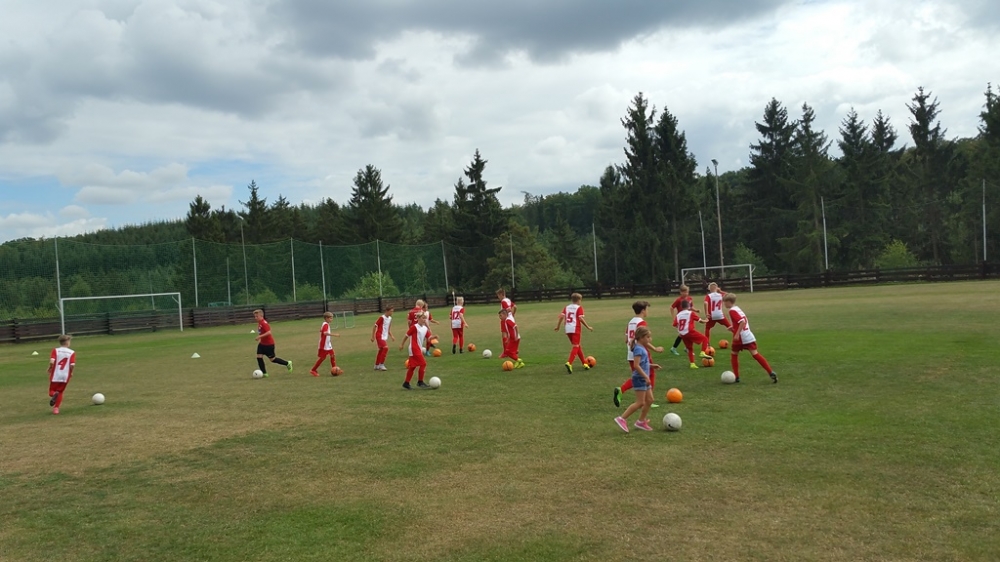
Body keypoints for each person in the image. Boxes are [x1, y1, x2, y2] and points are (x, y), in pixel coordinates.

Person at [613, 301, 663, 407]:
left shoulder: (630, 322)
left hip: (631, 354)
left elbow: (626, 340)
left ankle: (621, 390)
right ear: (643, 310)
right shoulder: (642, 323)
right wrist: (655, 349)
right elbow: (644, 340)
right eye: (647, 309)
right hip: (641, 353)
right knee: (650, 373)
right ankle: (648, 400)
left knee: (637, 376)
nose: (647, 311)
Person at [723, 293, 778, 384]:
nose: (724, 304)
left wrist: (736, 334)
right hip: (748, 335)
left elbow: (742, 322)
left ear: (729, 302)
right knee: (755, 354)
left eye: (724, 302)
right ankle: (770, 372)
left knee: (734, 354)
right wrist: (733, 327)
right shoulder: (737, 308)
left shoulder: (732, 311)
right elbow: (742, 321)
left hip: (741, 337)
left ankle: (736, 376)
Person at [614, 326, 660, 433]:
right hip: (640, 378)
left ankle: (641, 421)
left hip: (643, 377)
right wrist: (646, 377)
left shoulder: (642, 348)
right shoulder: (639, 349)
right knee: (640, 402)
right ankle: (622, 418)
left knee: (650, 400)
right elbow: (636, 365)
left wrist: (651, 366)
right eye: (648, 337)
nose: (650, 339)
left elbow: (643, 363)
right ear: (641, 338)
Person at [554, 292, 594, 373]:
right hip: (576, 328)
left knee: (577, 346)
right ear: (579, 300)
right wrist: (588, 327)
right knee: (576, 346)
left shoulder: (566, 307)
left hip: (568, 328)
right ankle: (569, 363)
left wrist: (558, 326)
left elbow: (561, 317)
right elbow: (580, 319)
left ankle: (584, 363)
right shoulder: (579, 308)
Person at [673, 300, 711, 370]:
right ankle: (702, 352)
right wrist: (706, 320)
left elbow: (675, 324)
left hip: (682, 334)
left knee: (690, 348)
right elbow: (700, 321)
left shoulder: (678, 315)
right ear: (688, 306)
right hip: (689, 331)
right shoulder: (690, 313)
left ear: (681, 307)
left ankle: (692, 364)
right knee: (705, 339)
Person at [399, 312, 433, 389]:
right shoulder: (414, 327)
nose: (424, 320)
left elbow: (429, 337)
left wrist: (433, 337)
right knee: (423, 364)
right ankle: (420, 382)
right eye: (422, 318)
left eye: (425, 318)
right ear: (418, 318)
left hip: (418, 349)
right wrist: (402, 344)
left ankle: (406, 383)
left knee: (412, 367)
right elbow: (406, 336)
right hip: (414, 348)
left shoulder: (425, 328)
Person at [254, 309, 291, 376]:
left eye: (257, 316)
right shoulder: (260, 322)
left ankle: (287, 363)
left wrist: (260, 336)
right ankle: (264, 373)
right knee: (259, 357)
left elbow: (269, 332)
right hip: (262, 344)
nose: (255, 318)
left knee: (272, 359)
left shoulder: (264, 323)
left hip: (269, 344)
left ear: (261, 316)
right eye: (255, 316)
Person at [47, 334, 76, 415]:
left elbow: (52, 361)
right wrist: (71, 372)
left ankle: (54, 394)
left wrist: (50, 368)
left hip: (56, 375)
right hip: (65, 376)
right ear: (67, 342)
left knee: (51, 391)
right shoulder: (72, 352)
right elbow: (72, 365)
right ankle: (56, 409)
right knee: (60, 392)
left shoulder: (55, 350)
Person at [310, 312, 341, 376]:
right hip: (324, 345)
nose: (331, 319)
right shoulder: (325, 324)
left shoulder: (325, 324)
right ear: (326, 318)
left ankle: (335, 369)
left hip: (328, 344)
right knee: (322, 358)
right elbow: (325, 333)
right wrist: (334, 335)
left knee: (332, 355)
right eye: (330, 318)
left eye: (332, 318)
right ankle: (313, 370)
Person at [669, 285, 694, 356]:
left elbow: (690, 307)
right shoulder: (678, 300)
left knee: (688, 333)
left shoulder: (690, 298)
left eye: (687, 292)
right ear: (680, 292)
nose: (686, 293)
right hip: (681, 320)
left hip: (688, 319)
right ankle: (674, 348)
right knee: (682, 334)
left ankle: (686, 348)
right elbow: (671, 307)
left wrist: (696, 310)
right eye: (684, 292)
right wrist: (674, 318)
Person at [370, 305, 395, 371]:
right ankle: (381, 365)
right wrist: (372, 336)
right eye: (391, 311)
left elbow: (388, 329)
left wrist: (391, 336)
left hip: (384, 336)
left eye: (392, 311)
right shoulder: (382, 318)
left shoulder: (390, 319)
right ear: (387, 311)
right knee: (385, 348)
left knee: (381, 350)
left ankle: (376, 365)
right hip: (379, 335)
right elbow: (375, 326)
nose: (392, 313)